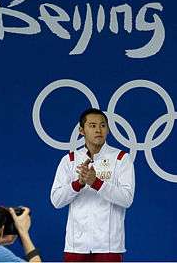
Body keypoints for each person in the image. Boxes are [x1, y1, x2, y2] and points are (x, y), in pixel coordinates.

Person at [50, 108, 135, 262]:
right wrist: (78, 184)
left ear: (108, 130)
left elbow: (127, 199)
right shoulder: (69, 160)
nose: (98, 130)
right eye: (92, 125)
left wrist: (96, 183)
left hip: (108, 247)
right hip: (76, 246)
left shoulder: (121, 158)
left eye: (102, 125)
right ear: (81, 130)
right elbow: (56, 200)